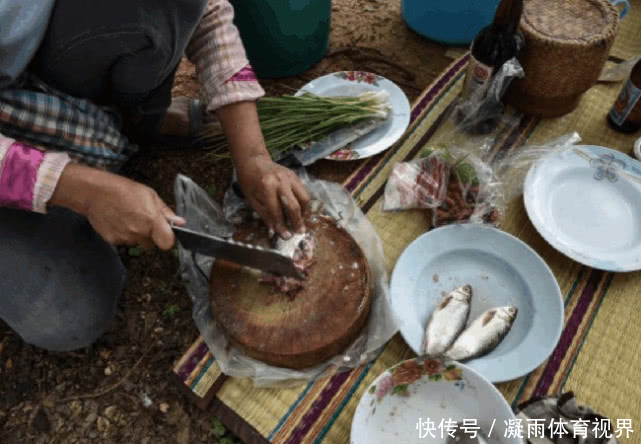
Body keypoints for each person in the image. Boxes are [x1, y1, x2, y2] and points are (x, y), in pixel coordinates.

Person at [0, 0, 310, 352]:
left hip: (36, 83)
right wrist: (76, 189)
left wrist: (252, 155)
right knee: (71, 313)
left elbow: (204, 10)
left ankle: (127, 123)